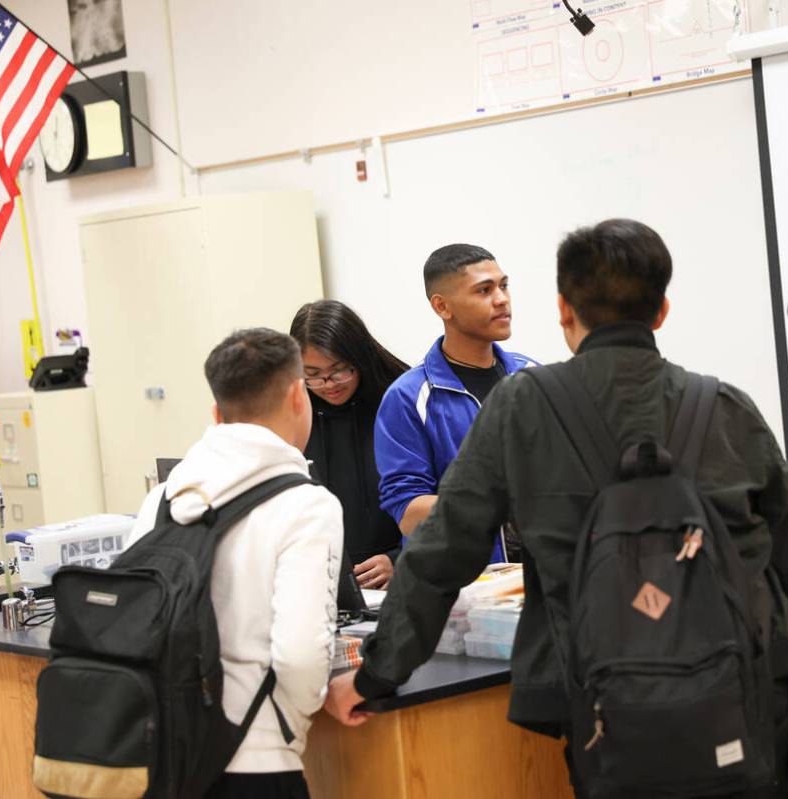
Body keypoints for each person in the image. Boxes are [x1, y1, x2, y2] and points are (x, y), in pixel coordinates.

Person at [327, 219, 788, 796]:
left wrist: (376, 672)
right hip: (745, 697)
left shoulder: (525, 404)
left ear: (565, 310)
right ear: (662, 311)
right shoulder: (724, 405)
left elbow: (443, 551)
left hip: (604, 705)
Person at [126, 328, 343, 799]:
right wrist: (290, 722)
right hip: (257, 757)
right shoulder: (307, 505)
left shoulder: (163, 498)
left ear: (216, 413)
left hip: (166, 754)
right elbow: (302, 654)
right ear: (296, 394)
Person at [373, 243, 538, 562]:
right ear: (442, 307)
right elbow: (408, 513)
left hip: (538, 580)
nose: (502, 299)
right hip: (456, 592)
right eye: (484, 290)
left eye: (503, 286)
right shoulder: (408, 397)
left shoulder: (532, 376)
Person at [291, 300, 409, 589]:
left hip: (401, 582)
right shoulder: (295, 415)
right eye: (313, 375)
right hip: (324, 586)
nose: (328, 384)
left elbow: (435, 502)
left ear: (360, 357)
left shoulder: (400, 403)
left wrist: (401, 559)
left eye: (339, 369)